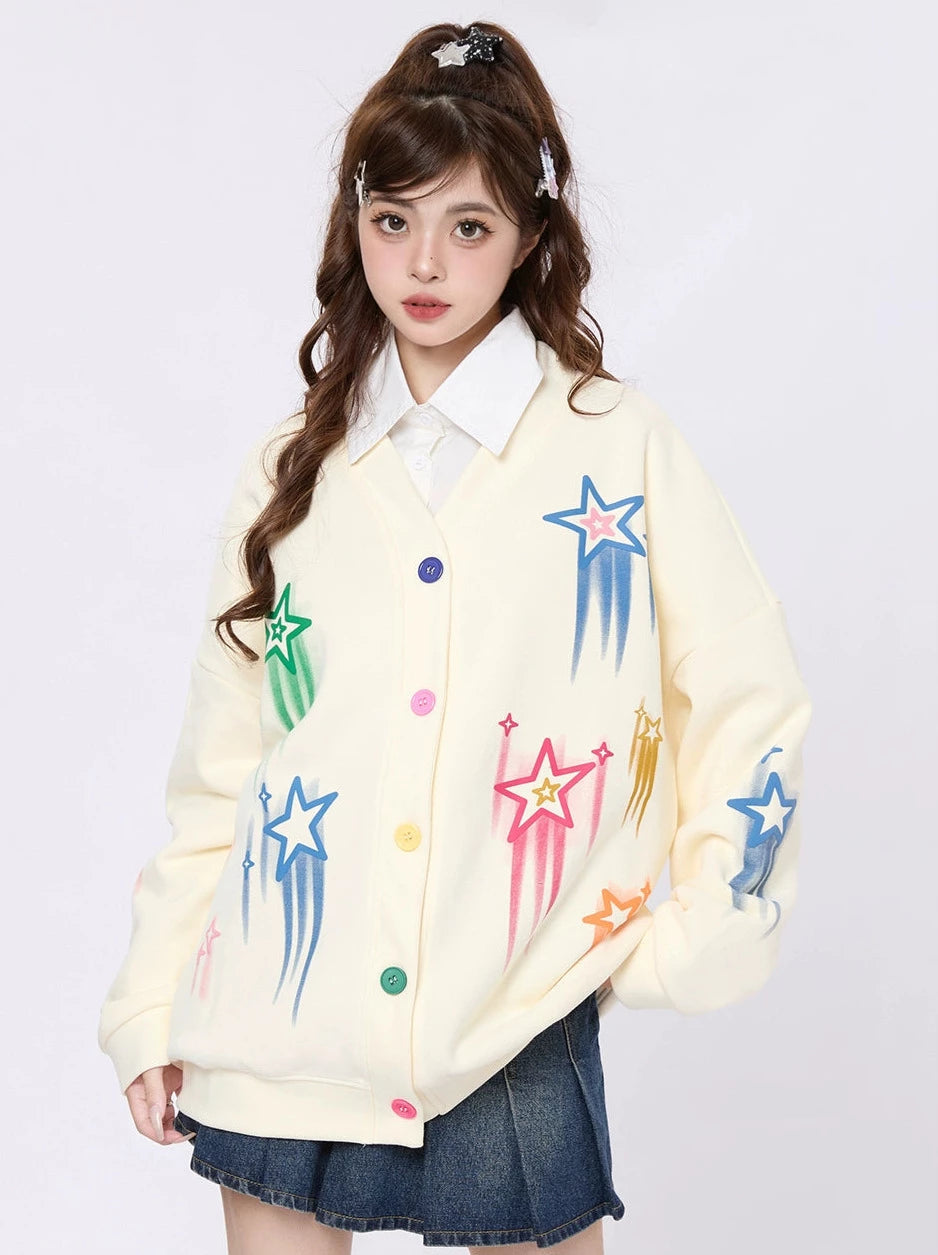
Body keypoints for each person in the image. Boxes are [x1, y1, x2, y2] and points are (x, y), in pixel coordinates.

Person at [97, 19, 812, 1255]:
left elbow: (746, 694)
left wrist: (702, 929)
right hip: (279, 1010)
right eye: (393, 219)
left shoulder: (614, 446)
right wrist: (153, 994)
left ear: (529, 237)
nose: (424, 262)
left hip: (512, 1008)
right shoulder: (294, 466)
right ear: (355, 223)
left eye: (468, 226)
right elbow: (223, 768)